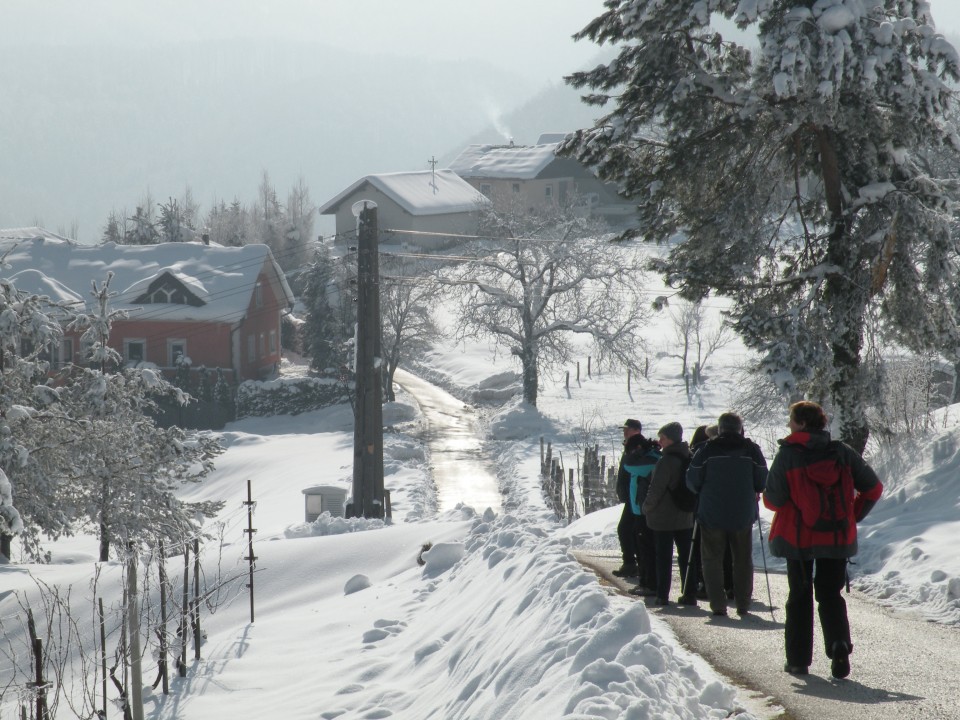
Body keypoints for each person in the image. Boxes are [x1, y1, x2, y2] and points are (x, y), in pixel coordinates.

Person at [763, 401, 883, 679]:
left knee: (799, 596)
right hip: (836, 536)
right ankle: (839, 645)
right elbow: (873, 488)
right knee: (830, 594)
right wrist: (851, 515)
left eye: (791, 420)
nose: (788, 425)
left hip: (798, 538)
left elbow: (773, 500)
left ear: (802, 423)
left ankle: (798, 660)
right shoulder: (841, 452)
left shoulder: (788, 454)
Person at [686, 412, 767, 616]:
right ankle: (742, 603)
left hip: (712, 512)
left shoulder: (707, 450)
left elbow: (692, 479)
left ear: (720, 429)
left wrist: (703, 491)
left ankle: (718, 604)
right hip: (742, 513)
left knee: (712, 559)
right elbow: (762, 480)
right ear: (740, 429)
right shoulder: (752, 450)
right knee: (742, 559)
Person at [643, 422, 694, 606]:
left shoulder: (666, 461)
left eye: (662, 438)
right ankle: (689, 594)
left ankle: (663, 595)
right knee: (686, 557)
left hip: (663, 517)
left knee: (664, 557)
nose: (660, 441)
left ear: (671, 439)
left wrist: (646, 507)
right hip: (686, 514)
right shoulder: (689, 457)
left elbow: (656, 489)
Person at [613, 419, 659, 594]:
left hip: (639, 500)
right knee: (629, 530)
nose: (624, 432)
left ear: (636, 430)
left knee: (629, 530)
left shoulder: (640, 451)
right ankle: (634, 565)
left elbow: (630, 468)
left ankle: (635, 567)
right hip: (633, 497)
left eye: (627, 429)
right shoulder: (634, 448)